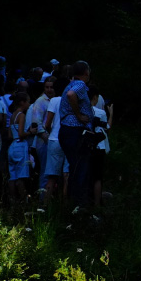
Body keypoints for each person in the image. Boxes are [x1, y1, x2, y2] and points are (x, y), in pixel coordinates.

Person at [59, 61, 94, 205]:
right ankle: (79, 204)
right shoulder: (79, 85)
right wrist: (79, 115)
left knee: (74, 166)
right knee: (80, 167)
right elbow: (71, 95)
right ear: (87, 72)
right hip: (74, 131)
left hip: (67, 131)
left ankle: (71, 202)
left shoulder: (71, 83)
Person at [43, 86, 68, 202]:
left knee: (52, 177)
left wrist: (50, 131)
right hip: (69, 140)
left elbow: (47, 123)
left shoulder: (54, 101)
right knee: (66, 175)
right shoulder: (72, 99)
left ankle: (46, 204)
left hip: (54, 139)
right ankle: (65, 205)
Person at [7, 91, 32, 201]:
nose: (29, 104)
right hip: (20, 146)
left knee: (13, 177)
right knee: (21, 177)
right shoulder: (21, 115)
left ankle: (13, 201)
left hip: (12, 146)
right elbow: (21, 134)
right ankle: (23, 201)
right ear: (22, 102)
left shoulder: (13, 115)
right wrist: (30, 132)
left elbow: (9, 134)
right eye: (28, 102)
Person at [28, 77, 55, 182]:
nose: (49, 89)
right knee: (45, 171)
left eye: (51, 87)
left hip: (53, 139)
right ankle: (43, 197)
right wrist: (45, 137)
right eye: (47, 87)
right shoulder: (41, 101)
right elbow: (36, 122)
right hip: (44, 141)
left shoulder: (55, 100)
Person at [88, 86, 110, 207]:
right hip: (99, 146)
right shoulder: (100, 112)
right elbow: (107, 128)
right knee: (97, 177)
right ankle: (97, 204)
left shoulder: (83, 112)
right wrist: (111, 113)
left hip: (86, 146)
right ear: (95, 98)